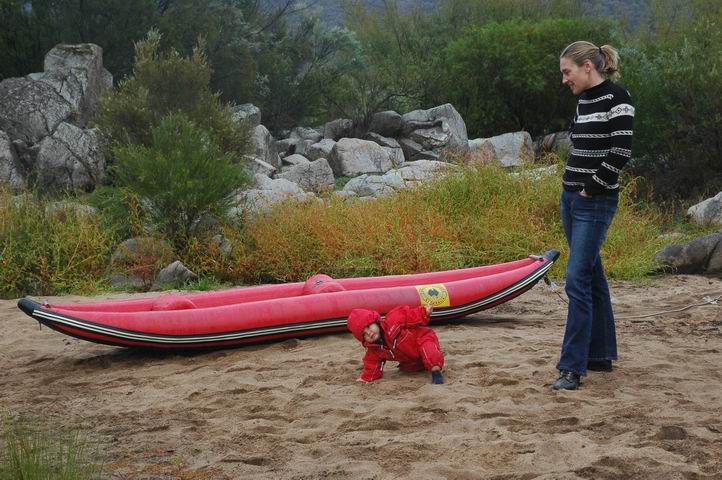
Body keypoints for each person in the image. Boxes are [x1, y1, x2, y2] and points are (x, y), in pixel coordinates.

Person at [553, 41, 634, 390]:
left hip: (594, 202)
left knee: (576, 280)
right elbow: (581, 144)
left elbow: (621, 151)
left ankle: (572, 367)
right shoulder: (584, 100)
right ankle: (600, 354)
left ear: (587, 66)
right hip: (571, 198)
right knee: (592, 276)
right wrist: (573, 189)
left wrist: (591, 188)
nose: (564, 80)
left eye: (567, 72)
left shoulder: (619, 97)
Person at [347, 303, 445, 384]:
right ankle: (421, 365)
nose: (369, 333)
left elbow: (409, 315)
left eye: (368, 327)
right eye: (364, 334)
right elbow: (372, 365)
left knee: (430, 354)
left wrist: (424, 312)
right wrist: (366, 378)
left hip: (422, 338)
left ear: (375, 321)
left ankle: (436, 373)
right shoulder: (374, 350)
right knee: (409, 369)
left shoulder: (392, 321)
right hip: (410, 358)